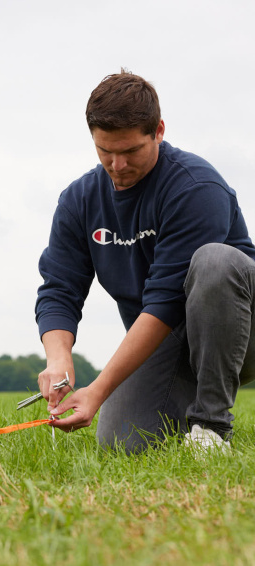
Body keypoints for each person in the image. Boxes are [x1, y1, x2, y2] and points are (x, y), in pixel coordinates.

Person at [35, 70, 255, 453]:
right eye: (105, 151)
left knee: (215, 262)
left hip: (243, 333)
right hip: (172, 344)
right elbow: (59, 289)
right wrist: (59, 360)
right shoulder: (79, 201)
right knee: (121, 442)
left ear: (159, 131)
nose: (117, 166)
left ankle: (211, 428)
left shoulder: (197, 188)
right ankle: (184, 413)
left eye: (131, 151)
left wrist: (99, 389)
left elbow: (166, 301)